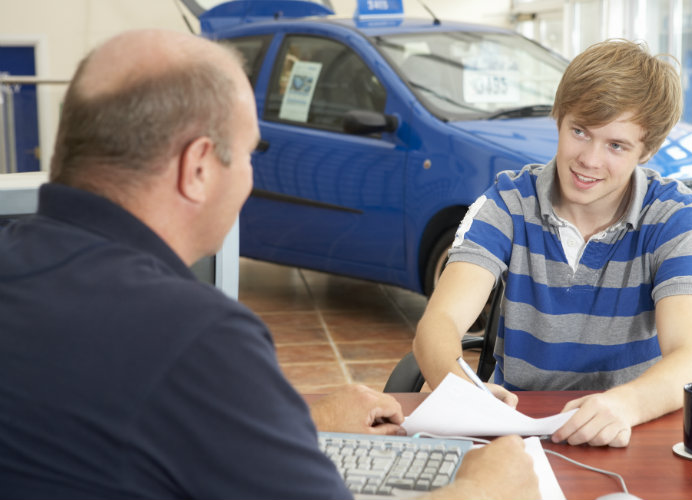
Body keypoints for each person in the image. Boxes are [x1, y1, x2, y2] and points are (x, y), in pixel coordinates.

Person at [0, 29, 540, 499]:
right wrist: (485, 489)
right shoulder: (194, 335)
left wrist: (295, 425)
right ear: (198, 167)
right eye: (251, 152)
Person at [413, 39, 692, 448]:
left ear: (648, 150)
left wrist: (623, 405)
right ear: (558, 118)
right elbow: (439, 324)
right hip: (518, 429)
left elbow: (691, 357)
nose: (589, 159)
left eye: (616, 145)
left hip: (631, 426)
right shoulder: (507, 201)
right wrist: (466, 390)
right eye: (580, 131)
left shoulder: (676, 216)